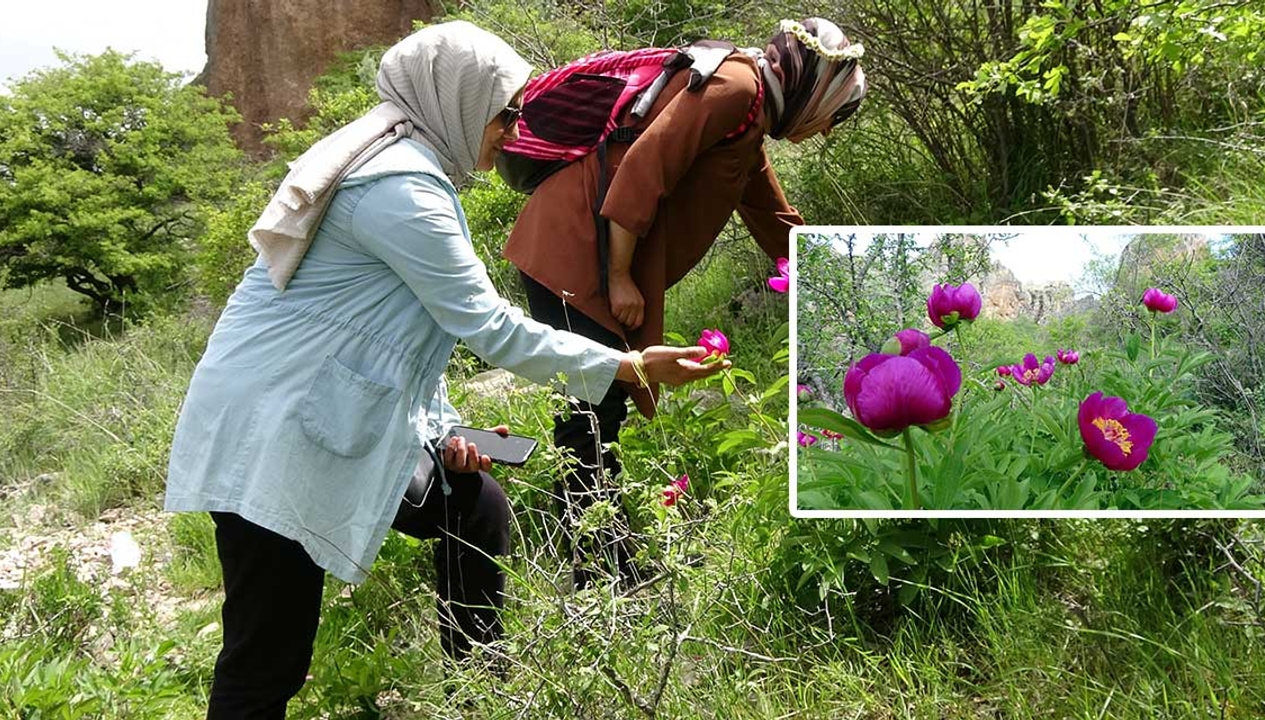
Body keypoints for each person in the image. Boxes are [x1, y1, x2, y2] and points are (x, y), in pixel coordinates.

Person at [164, 21, 726, 719]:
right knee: (267, 655)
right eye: (506, 111)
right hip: (273, 431)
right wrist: (629, 366)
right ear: (453, 99)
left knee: (472, 502)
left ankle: (476, 686)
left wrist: (450, 432)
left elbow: (399, 337)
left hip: (332, 414)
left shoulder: (407, 166)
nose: (515, 130)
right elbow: (488, 327)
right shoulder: (399, 188)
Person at [503, 18, 866, 588]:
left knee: (600, 408)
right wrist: (621, 276)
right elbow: (647, 164)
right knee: (594, 409)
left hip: (583, 250)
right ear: (812, 86)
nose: (825, 130)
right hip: (573, 251)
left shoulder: (749, 117)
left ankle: (608, 561)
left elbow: (773, 218)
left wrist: (830, 284)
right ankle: (600, 574)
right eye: (834, 112)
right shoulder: (738, 90)